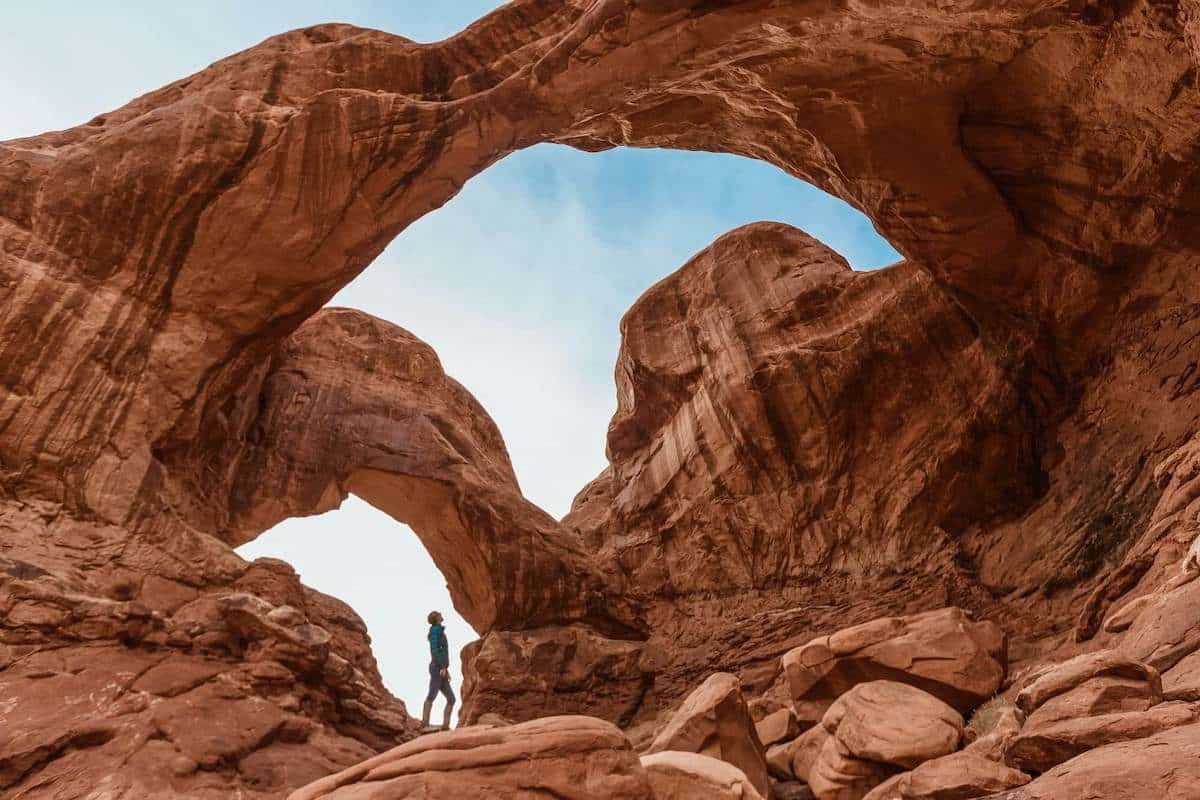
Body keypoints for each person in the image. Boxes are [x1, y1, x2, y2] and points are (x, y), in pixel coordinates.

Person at [422, 610, 455, 731]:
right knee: (432, 694)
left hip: (441, 668)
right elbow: (435, 650)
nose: (442, 615)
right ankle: (424, 724)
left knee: (451, 699)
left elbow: (441, 651)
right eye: (439, 614)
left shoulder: (438, 630)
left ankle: (445, 726)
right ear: (436, 618)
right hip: (437, 667)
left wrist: (446, 669)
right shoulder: (436, 630)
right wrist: (442, 667)